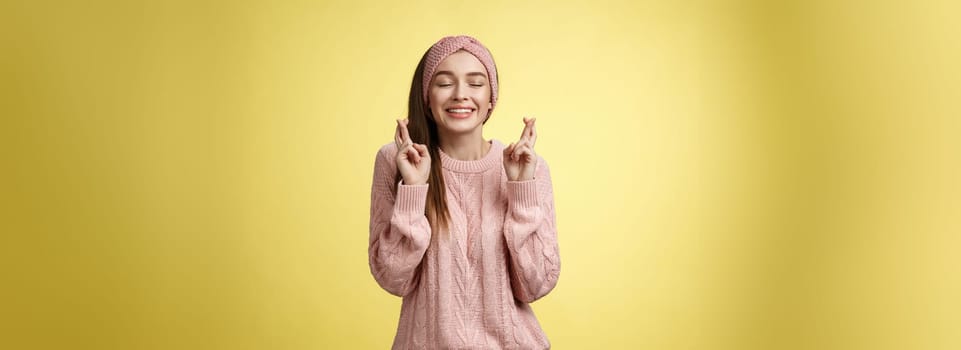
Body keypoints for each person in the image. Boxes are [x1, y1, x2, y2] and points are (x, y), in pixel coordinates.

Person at [368, 35, 560, 349]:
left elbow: (535, 285)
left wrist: (521, 190)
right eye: (444, 83)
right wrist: (414, 190)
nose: (461, 95)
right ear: (426, 96)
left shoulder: (529, 167)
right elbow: (393, 278)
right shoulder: (397, 161)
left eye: (475, 83)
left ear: (490, 98)